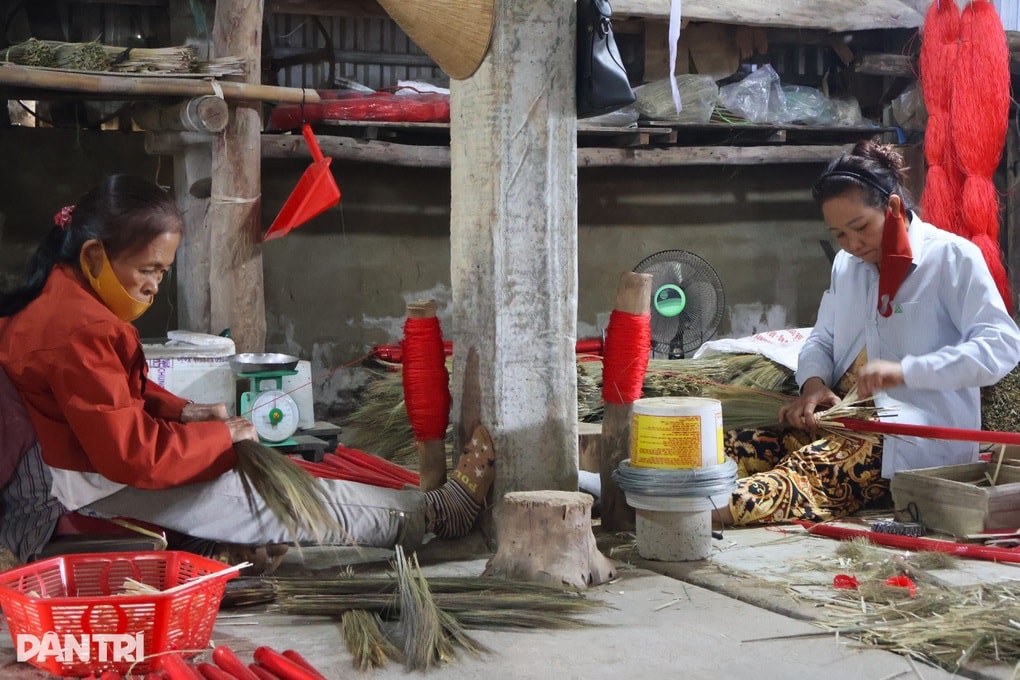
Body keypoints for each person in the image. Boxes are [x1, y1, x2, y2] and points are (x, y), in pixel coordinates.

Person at [0, 174, 494, 569]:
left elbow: (113, 393)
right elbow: (133, 456)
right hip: (88, 488)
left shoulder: (56, 299)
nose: (154, 286)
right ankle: (434, 514)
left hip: (77, 469)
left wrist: (186, 412)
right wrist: (221, 437)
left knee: (271, 486)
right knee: (272, 499)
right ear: (93, 256)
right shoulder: (80, 329)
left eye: (163, 273)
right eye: (148, 269)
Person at [717, 139, 1020, 526]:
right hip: (843, 421)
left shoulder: (951, 259)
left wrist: (908, 371)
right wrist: (812, 386)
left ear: (892, 207)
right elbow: (822, 339)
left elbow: (1001, 347)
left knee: (791, 479)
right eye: (839, 234)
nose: (853, 244)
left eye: (860, 228)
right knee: (727, 448)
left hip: (908, 440)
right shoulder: (848, 266)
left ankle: (689, 514)